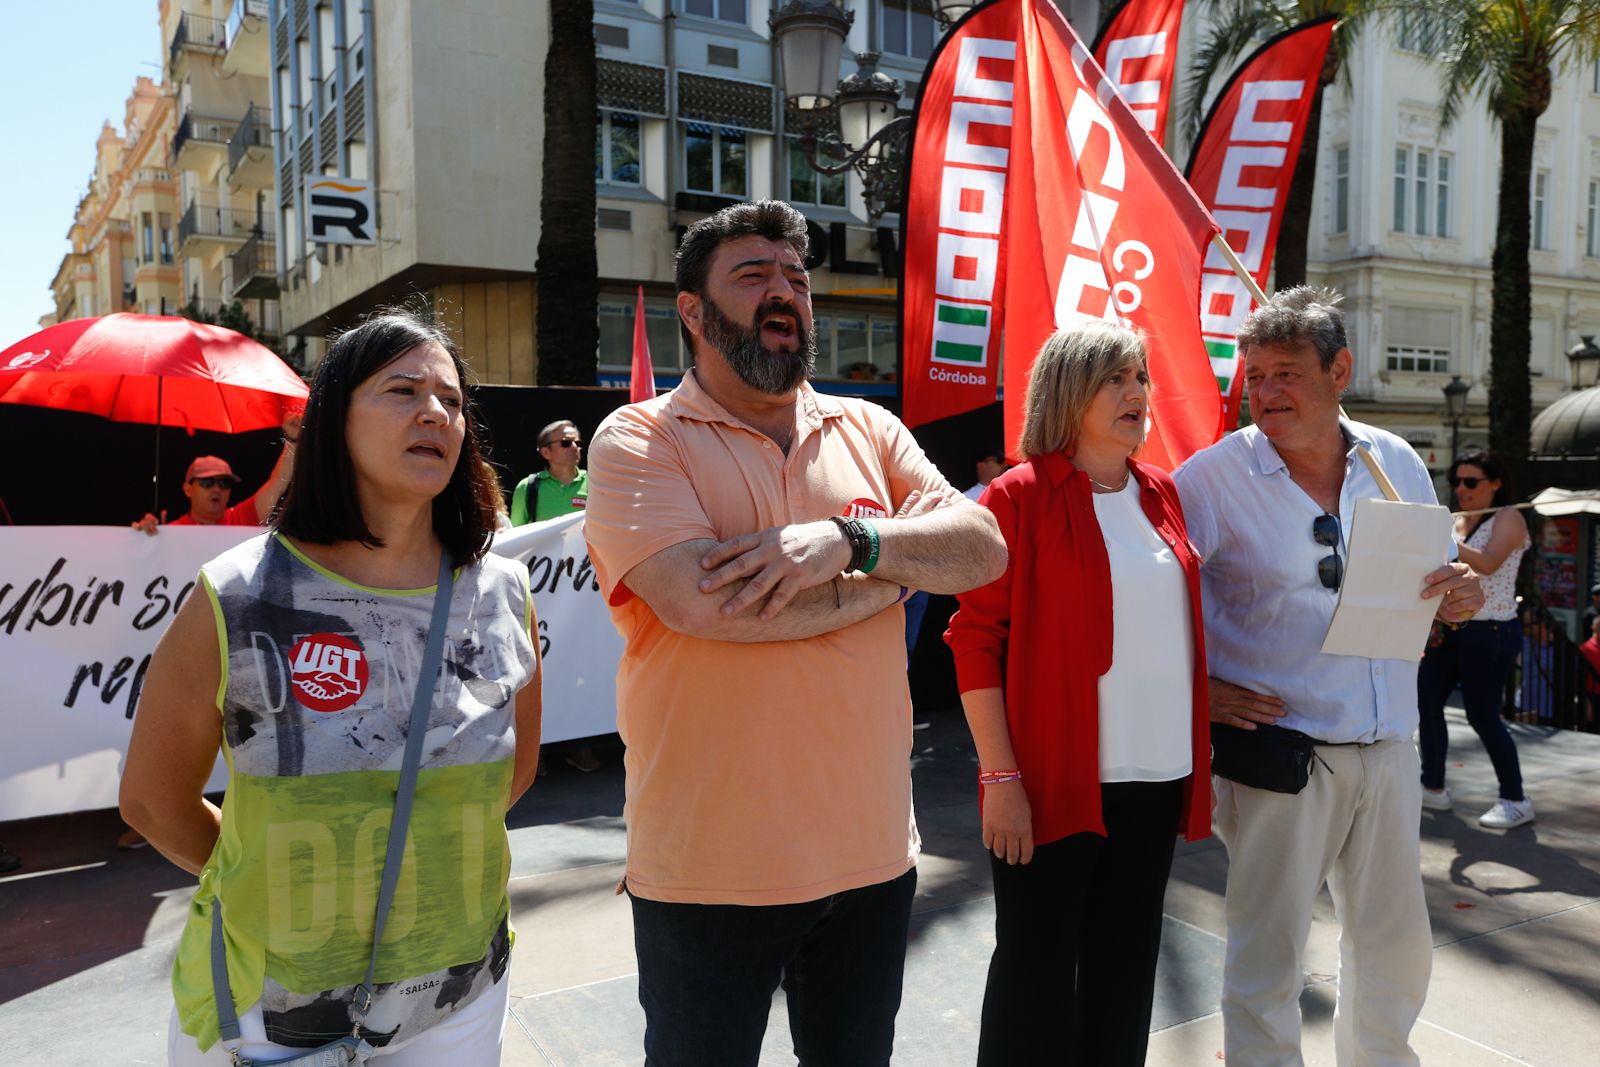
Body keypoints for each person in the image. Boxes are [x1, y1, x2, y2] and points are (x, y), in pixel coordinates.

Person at [582, 199, 1007, 1067]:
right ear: (692, 312)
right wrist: (893, 580)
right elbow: (705, 605)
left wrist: (852, 541)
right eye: (753, 275)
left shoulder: (870, 427)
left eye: (796, 278)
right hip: (707, 869)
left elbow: (982, 548)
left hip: (873, 858)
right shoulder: (638, 438)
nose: (784, 293)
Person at [119, 310, 542, 1065]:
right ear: (332, 418)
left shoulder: (505, 589)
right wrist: (277, 873)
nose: (434, 412)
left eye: (451, 398)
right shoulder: (237, 593)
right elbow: (152, 798)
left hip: (458, 996)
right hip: (269, 1008)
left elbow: (513, 771)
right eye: (403, 389)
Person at [1172, 286, 1484, 1067]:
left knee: (1394, 947)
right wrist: (1196, 688)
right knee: (1267, 957)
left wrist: (1462, 598)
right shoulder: (1210, 478)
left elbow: (1428, 585)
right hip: (1282, 752)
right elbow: (1151, 598)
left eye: (1286, 373)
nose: (1267, 393)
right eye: (1255, 377)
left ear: (1338, 369)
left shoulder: (1395, 459)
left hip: (1390, 745)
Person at [947, 323, 1211, 1065]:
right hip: (1052, 782)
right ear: (1069, 393)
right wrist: (1000, 776)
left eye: (1140, 377)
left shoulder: (1164, 493)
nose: (1137, 392)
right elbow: (974, 640)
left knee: (1124, 977)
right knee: (1034, 979)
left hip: (1156, 777)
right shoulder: (1016, 496)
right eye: (1115, 379)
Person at [1419, 451, 1535, 828]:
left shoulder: (1509, 516)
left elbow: (1487, 562)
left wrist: (1436, 532)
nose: (1461, 489)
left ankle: (1515, 798)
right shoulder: (1459, 519)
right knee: (1428, 703)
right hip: (1453, 628)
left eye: (1472, 482)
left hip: (1492, 630)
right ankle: (1432, 786)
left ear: (1496, 483)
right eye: (1457, 482)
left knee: (1483, 716)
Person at [132, 413, 301, 533]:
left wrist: (292, 441)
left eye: (224, 483)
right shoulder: (171, 532)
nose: (216, 489)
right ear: (187, 489)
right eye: (207, 482)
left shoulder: (243, 517)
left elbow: (278, 482)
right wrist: (141, 537)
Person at [509, 419, 588, 524]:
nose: (574, 447)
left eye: (577, 443)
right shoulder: (527, 487)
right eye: (566, 443)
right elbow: (515, 534)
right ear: (546, 452)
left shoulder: (595, 482)